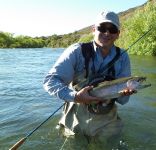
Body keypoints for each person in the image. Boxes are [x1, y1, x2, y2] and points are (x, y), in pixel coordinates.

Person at [43, 11, 136, 146]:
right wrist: (75, 97)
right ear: (93, 29)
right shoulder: (76, 51)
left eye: (112, 29)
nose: (107, 33)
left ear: (118, 34)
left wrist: (126, 93)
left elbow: (122, 101)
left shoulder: (123, 56)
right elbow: (50, 81)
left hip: (108, 121)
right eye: (102, 28)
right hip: (76, 117)